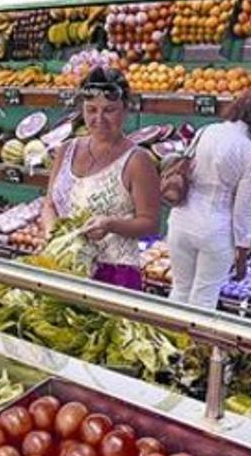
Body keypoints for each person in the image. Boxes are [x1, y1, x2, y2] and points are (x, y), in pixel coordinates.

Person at [41, 67, 161, 290]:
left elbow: (151, 224)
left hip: (113, 276)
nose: (99, 119)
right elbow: (49, 204)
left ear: (125, 110)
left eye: (109, 110)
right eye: (91, 110)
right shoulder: (66, 150)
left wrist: (111, 225)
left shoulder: (137, 160)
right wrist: (55, 237)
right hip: (62, 267)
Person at [167, 86, 251, 309]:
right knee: (204, 298)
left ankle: (167, 341)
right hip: (215, 229)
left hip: (180, 221)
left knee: (180, 289)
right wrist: (242, 252)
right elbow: (242, 209)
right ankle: (194, 344)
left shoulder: (206, 131)